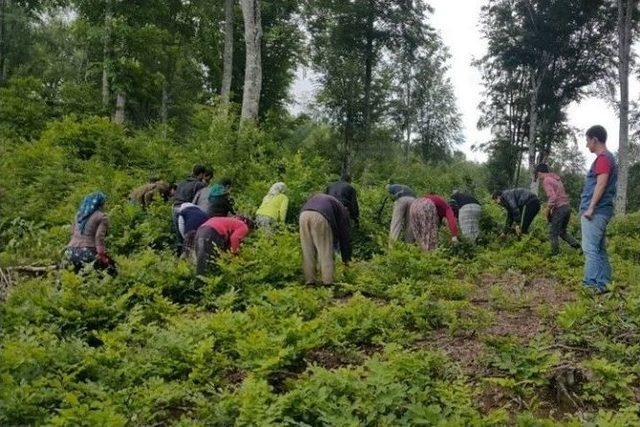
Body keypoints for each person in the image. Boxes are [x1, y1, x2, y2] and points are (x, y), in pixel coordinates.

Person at [580, 125, 617, 292]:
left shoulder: (603, 158)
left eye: (588, 141)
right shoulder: (608, 158)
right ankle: (604, 284)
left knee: (590, 249)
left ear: (595, 139)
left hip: (595, 211)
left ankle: (591, 286)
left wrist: (590, 208)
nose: (587, 145)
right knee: (599, 249)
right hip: (602, 210)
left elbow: (601, 184)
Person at [299, 193, 352, 286]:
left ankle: (310, 281)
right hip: (320, 216)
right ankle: (328, 283)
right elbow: (345, 238)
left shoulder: (328, 200)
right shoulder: (343, 211)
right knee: (325, 251)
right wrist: (346, 259)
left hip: (303, 215)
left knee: (307, 250)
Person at [535, 164, 581, 256]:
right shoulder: (555, 179)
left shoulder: (547, 180)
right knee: (562, 232)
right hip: (567, 208)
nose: (538, 176)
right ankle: (579, 248)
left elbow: (553, 197)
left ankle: (555, 256)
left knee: (553, 233)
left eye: (537, 174)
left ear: (540, 173)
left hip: (560, 209)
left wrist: (547, 209)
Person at [65, 192, 114, 273]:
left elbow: (72, 232)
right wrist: (102, 256)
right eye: (105, 203)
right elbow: (99, 237)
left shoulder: (79, 215)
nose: (106, 205)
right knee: (110, 270)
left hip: (69, 252)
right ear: (100, 203)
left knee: (79, 276)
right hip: (86, 252)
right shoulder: (102, 216)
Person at [172, 165, 210, 255]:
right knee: (190, 237)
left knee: (179, 238)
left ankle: (178, 260)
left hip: (175, 208)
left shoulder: (181, 183)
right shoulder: (199, 185)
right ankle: (190, 260)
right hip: (187, 211)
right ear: (201, 174)